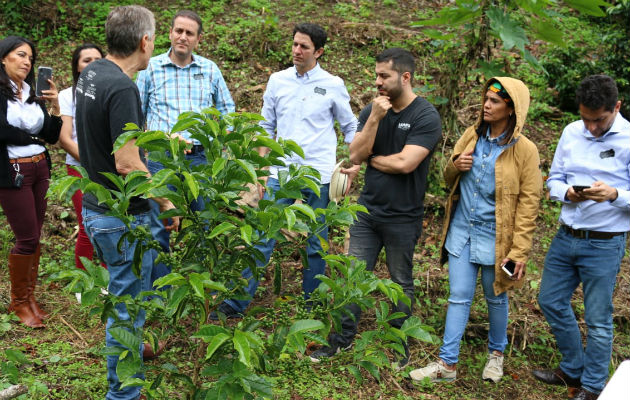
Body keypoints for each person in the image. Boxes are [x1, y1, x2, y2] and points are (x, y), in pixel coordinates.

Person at [216, 22, 359, 318]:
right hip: (282, 172)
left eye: (304, 46)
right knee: (261, 235)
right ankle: (236, 303)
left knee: (316, 243)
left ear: (318, 51)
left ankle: (312, 307)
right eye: (295, 44)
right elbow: (266, 127)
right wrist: (259, 170)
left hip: (318, 173)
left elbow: (349, 127)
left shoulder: (332, 84)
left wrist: (354, 162)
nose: (297, 50)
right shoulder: (278, 80)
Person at [309, 48, 442, 365]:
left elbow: (405, 163)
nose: (378, 82)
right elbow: (355, 154)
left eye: (385, 76)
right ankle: (339, 341)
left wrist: (373, 159)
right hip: (367, 213)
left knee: (400, 284)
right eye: (377, 75)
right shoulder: (373, 110)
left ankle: (398, 347)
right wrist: (376, 119)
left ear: (405, 77)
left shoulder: (425, 116)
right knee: (352, 279)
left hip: (403, 217)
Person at [75, 6, 178, 400]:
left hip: (96, 209)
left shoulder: (91, 72)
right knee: (126, 310)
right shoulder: (121, 87)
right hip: (122, 218)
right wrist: (166, 202)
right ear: (144, 42)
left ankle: (133, 361)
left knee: (127, 301)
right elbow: (126, 162)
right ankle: (123, 394)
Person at [409, 78, 542, 382]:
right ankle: (447, 364)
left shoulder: (525, 151)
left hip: (499, 240)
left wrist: (519, 251)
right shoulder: (472, 135)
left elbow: (529, 204)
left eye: (495, 101)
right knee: (458, 296)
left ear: (512, 108)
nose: (486, 105)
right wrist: (457, 164)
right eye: (486, 99)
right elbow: (447, 176)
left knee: (496, 297)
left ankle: (496, 357)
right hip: (462, 232)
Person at [532, 75, 630, 400]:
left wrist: (615, 193)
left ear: (616, 107)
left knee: (598, 319)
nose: (590, 127)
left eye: (598, 120)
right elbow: (554, 180)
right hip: (566, 236)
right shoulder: (571, 132)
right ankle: (573, 367)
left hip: (604, 242)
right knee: (549, 299)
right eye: (585, 118)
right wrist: (568, 193)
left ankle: (592, 386)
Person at [136, 9, 235, 283]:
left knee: (204, 222)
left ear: (198, 39)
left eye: (189, 33)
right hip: (161, 159)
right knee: (159, 226)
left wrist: (221, 141)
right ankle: (161, 289)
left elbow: (227, 109)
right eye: (178, 31)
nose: (182, 37)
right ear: (169, 33)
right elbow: (137, 114)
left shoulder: (209, 69)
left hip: (199, 159)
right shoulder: (151, 68)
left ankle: (199, 285)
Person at [0, 36, 61, 329]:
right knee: (26, 238)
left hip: (40, 168)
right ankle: (18, 302)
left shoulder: (32, 93)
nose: (27, 62)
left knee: (36, 235)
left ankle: (30, 297)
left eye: (31, 58)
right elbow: (2, 131)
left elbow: (49, 134)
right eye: (21, 55)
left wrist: (56, 107)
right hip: (13, 171)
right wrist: (29, 137)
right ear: (3, 58)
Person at [58, 43, 104, 273]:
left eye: (97, 59)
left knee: (109, 223)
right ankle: (82, 280)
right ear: (77, 66)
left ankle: (109, 278)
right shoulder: (67, 96)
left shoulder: (108, 92)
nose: (92, 64)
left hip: (106, 170)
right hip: (79, 168)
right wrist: (92, 161)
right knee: (86, 225)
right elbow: (65, 138)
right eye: (87, 60)